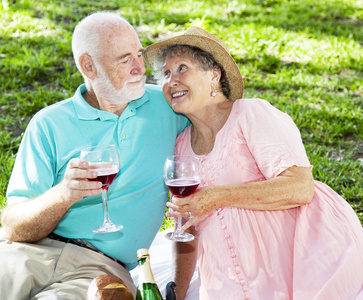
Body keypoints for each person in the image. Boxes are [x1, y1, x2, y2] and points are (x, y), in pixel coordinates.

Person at [143, 27, 363, 300]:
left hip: (303, 255)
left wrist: (217, 196)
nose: (171, 81)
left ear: (213, 75)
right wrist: (176, 291)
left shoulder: (251, 114)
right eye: (165, 74)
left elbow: (300, 188)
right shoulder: (181, 146)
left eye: (181, 68)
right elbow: (188, 231)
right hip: (228, 272)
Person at [0, 12, 188, 299]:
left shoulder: (168, 105)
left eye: (139, 54)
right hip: (26, 254)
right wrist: (64, 193)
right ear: (89, 66)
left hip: (99, 269)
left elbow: (222, 114)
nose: (140, 68)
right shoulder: (49, 123)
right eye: (125, 59)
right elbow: (14, 227)